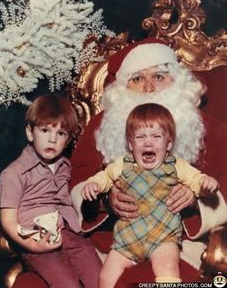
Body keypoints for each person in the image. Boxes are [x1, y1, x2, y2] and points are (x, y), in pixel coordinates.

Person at [70, 38, 227, 282]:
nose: (149, 88)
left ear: (177, 82)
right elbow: (78, 179)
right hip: (114, 242)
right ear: (123, 88)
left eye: (159, 77)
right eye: (137, 79)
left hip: (184, 244)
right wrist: (106, 201)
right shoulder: (102, 126)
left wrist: (197, 198)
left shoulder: (212, 129)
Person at [81, 103, 219, 286]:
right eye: (140, 137)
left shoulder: (176, 166)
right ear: (131, 144)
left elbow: (197, 180)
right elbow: (105, 177)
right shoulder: (123, 164)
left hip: (163, 238)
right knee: (106, 275)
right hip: (128, 239)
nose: (148, 142)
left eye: (156, 136)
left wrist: (206, 184)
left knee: (168, 267)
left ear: (168, 143)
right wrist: (94, 185)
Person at [0, 94, 102, 288]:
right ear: (30, 133)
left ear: (69, 139)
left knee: (99, 279)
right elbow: (8, 220)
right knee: (68, 284)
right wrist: (32, 245)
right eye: (45, 130)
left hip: (71, 235)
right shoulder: (14, 173)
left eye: (61, 133)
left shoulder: (66, 166)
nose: (52, 139)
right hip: (38, 241)